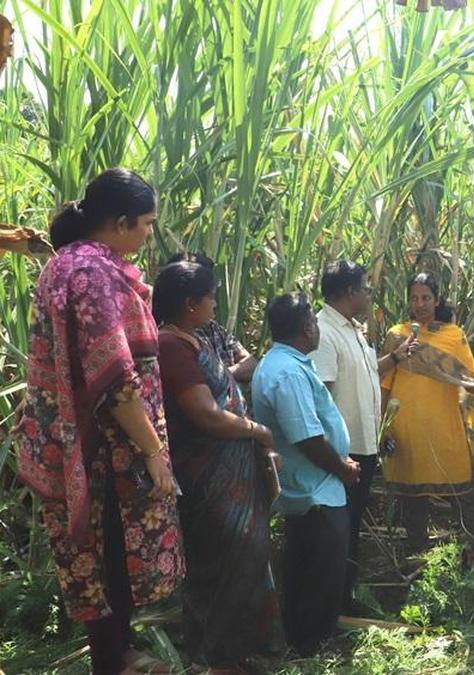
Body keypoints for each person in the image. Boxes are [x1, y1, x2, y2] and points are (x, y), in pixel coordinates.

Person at [17, 169, 185, 675]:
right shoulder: (91, 274)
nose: (150, 233)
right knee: (111, 555)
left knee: (98, 557)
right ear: (120, 221)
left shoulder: (66, 264)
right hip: (103, 451)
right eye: (148, 223)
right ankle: (114, 663)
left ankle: (117, 655)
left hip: (78, 444)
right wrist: (153, 451)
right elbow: (112, 378)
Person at [154, 261, 281, 672]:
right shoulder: (172, 346)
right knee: (221, 563)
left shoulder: (194, 339)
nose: (214, 303)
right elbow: (205, 414)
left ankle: (235, 653)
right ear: (191, 304)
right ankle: (216, 659)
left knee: (244, 558)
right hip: (209, 483)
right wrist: (259, 430)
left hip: (230, 480)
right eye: (210, 296)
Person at [252, 293, 359, 656]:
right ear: (305, 329)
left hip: (311, 487)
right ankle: (315, 644)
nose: (317, 329)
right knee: (321, 571)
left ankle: (302, 638)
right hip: (315, 489)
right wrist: (342, 468)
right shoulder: (287, 372)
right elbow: (307, 437)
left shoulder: (284, 363)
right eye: (313, 323)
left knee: (305, 565)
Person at [379, 273, 474, 565]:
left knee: (464, 495)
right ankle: (417, 561)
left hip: (446, 433)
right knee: (412, 501)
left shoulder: (453, 335)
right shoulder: (397, 335)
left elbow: (468, 380)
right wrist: (382, 428)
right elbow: (384, 385)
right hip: (407, 431)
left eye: (426, 298)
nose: (420, 304)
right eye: (414, 298)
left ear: (437, 301)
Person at [310, 261, 401, 611]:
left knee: (349, 527)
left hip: (361, 448)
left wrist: (394, 357)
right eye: (365, 287)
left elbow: (361, 374)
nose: (367, 293)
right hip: (339, 453)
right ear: (349, 292)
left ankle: (343, 598)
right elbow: (320, 396)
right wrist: (333, 454)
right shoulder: (323, 332)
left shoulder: (350, 330)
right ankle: (330, 606)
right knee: (335, 531)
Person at [164, 252, 257, 382]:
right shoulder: (169, 340)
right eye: (210, 295)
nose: (214, 303)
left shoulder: (213, 328)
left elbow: (250, 364)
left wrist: (220, 376)